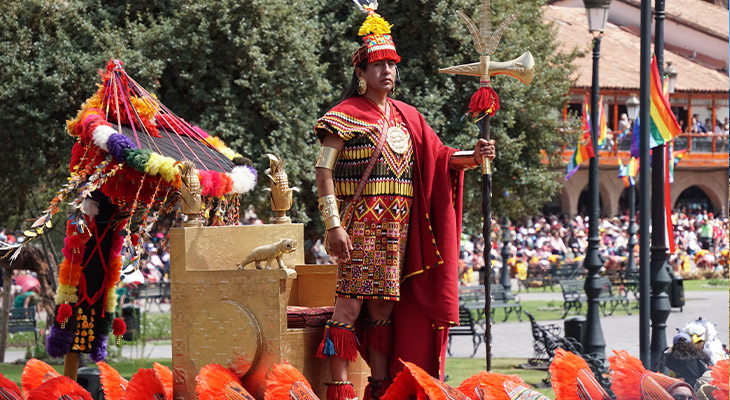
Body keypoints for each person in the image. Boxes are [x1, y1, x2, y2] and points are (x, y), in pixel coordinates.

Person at [313, 3, 495, 399]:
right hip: (357, 229)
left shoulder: (407, 117)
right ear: (360, 73)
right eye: (378, 65)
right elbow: (322, 173)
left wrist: (474, 156)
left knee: (382, 312)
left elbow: (440, 157)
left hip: (396, 231)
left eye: (392, 65)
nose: (387, 72)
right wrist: (333, 226)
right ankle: (339, 390)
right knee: (347, 311)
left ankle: (380, 390)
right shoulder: (343, 116)